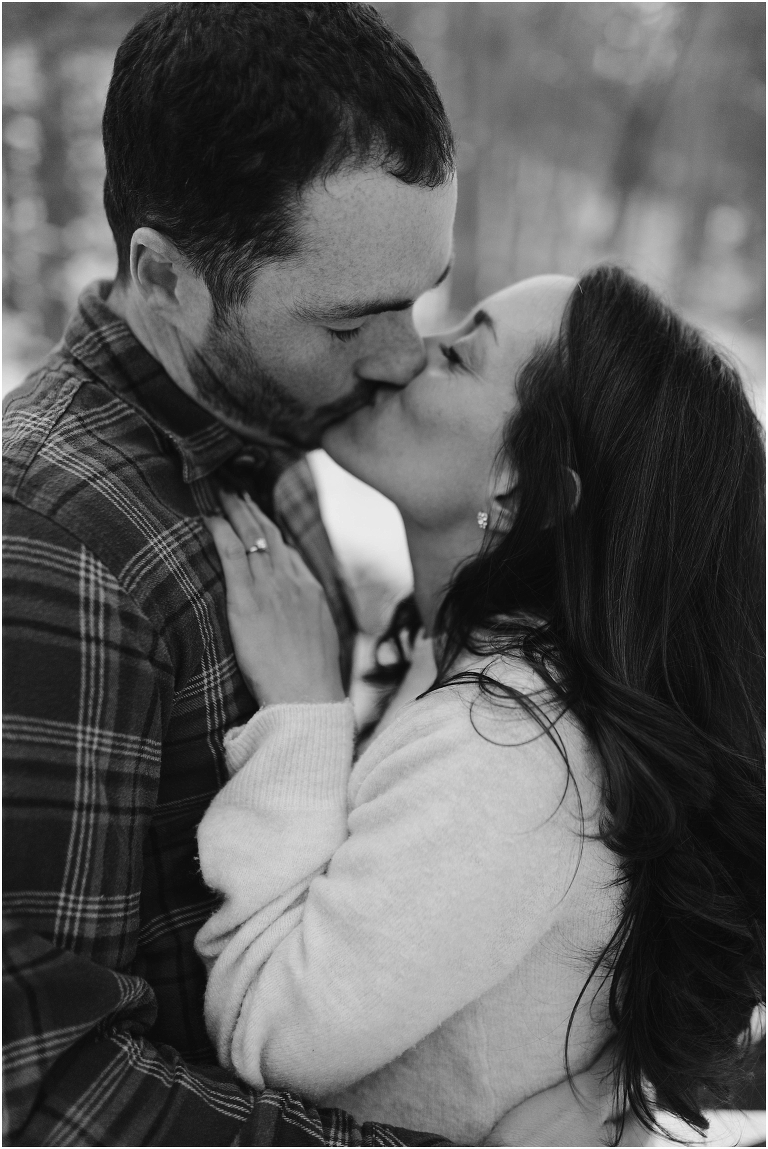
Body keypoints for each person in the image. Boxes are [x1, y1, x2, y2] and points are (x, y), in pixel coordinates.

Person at [3, 5, 623, 1145]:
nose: (400, 359)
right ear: (167, 277)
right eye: (350, 322)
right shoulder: (48, 547)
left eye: (420, 298)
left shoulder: (273, 426)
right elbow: (36, 1084)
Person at [196, 267, 765, 1145]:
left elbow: (271, 1034)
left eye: (460, 354)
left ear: (520, 489)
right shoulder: (479, 669)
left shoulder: (505, 741)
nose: (405, 354)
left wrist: (302, 722)